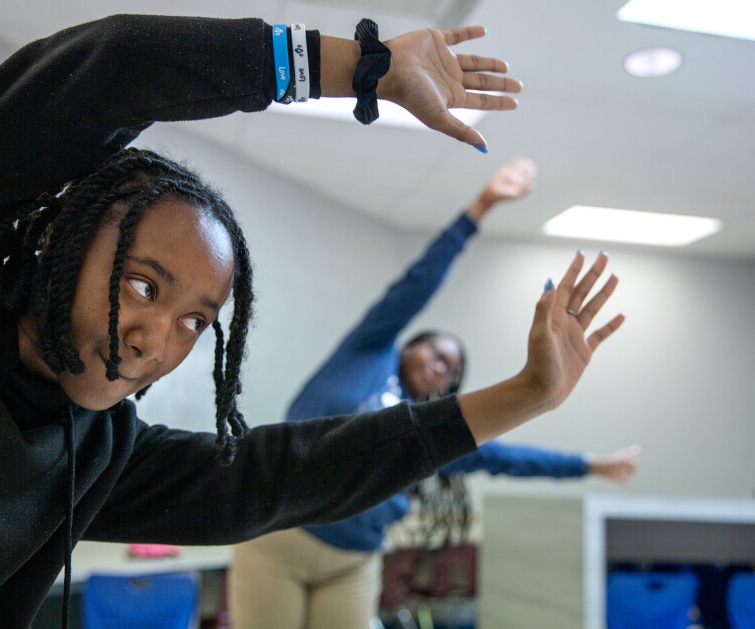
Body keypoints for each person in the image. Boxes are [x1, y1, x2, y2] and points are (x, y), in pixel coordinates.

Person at [0, 14, 624, 629]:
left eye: (196, 322)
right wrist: (364, 68)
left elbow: (277, 476)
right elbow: (106, 74)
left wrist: (529, 394)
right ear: (58, 240)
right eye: (142, 284)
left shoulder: (96, 454)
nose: (155, 340)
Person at [229, 157, 638, 629]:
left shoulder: (425, 434)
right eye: (436, 352)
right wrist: (480, 207)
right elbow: (416, 284)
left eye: (452, 370)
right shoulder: (369, 352)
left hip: (355, 560)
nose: (442, 366)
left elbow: (504, 457)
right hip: (280, 536)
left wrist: (590, 465)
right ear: (408, 346)